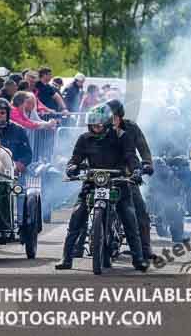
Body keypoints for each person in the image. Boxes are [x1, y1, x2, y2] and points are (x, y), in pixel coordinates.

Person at [55, 105, 148, 272]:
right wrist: (71, 167)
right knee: (77, 215)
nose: (95, 129)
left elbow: (130, 156)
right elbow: (75, 158)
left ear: (106, 123)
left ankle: (138, 258)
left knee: (129, 216)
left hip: (118, 181)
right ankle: (67, 257)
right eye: (92, 125)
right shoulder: (84, 139)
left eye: (98, 125)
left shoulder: (122, 137)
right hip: (92, 181)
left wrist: (136, 171)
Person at [106, 99, 157, 256]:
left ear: (120, 116)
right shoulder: (100, 127)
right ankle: (77, 245)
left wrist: (147, 163)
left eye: (114, 116)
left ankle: (145, 249)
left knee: (140, 210)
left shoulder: (131, 128)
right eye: (108, 116)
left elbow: (143, 147)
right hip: (102, 174)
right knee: (83, 204)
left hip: (126, 175)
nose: (111, 119)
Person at [148, 106, 191, 216]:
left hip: (180, 162)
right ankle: (149, 207)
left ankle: (190, 206)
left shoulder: (183, 130)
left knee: (190, 178)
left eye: (174, 118)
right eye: (169, 117)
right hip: (161, 163)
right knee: (151, 180)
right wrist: (150, 155)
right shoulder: (158, 131)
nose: (172, 120)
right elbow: (151, 144)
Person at [0, 98, 32, 173]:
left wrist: (20, 163)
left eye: (2, 113)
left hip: (13, 172)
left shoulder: (19, 130)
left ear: (7, 114)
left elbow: (28, 154)